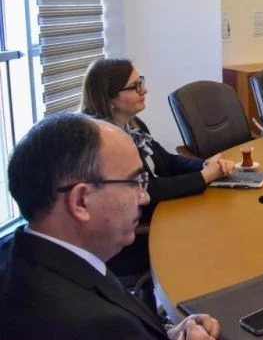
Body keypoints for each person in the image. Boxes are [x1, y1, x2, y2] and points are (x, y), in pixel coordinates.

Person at [0, 113, 223, 340]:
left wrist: (164, 339)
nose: (144, 197)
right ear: (81, 201)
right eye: (135, 182)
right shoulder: (84, 332)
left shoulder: (21, 252)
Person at [81, 58, 235, 277]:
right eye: (135, 86)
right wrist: (204, 177)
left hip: (160, 214)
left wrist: (207, 164)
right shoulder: (102, 143)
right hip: (134, 235)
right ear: (110, 98)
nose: (144, 90)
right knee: (216, 231)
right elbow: (148, 190)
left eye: (141, 82)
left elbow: (168, 161)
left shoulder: (134, 126)